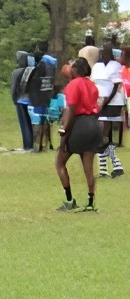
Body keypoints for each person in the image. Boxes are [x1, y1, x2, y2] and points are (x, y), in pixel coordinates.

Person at [55, 57, 102, 212]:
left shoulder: (73, 84)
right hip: (94, 124)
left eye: (71, 66)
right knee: (88, 167)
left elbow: (72, 109)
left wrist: (64, 129)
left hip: (79, 124)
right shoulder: (92, 84)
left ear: (75, 70)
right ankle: (90, 202)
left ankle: (69, 200)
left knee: (60, 162)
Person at [91, 42, 124, 178]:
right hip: (99, 102)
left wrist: (106, 101)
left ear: (111, 52)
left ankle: (115, 164)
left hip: (113, 102)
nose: (103, 52)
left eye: (106, 50)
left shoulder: (116, 65)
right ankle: (110, 167)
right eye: (102, 50)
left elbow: (116, 86)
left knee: (103, 134)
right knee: (102, 136)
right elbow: (94, 83)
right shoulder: (97, 66)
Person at [10, 51, 35, 152]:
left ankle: (27, 145)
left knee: (24, 123)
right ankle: (31, 144)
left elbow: (13, 87)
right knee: (30, 122)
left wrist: (13, 99)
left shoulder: (17, 71)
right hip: (30, 100)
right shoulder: (31, 70)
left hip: (20, 100)